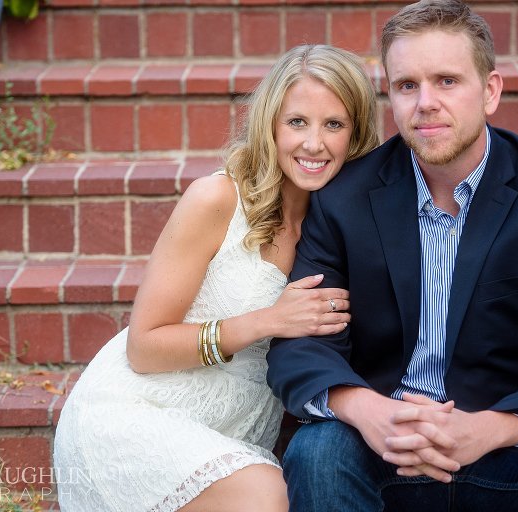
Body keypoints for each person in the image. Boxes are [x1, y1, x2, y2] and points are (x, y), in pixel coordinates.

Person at [266, 1, 518, 511]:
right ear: (391, 98)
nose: (425, 103)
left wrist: (490, 429)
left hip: (504, 444)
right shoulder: (344, 199)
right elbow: (300, 346)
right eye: (407, 85)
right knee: (317, 451)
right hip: (384, 445)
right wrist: (368, 411)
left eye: (447, 81)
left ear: (490, 91)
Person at [52, 44, 379, 511]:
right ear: (270, 125)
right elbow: (143, 347)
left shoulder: (343, 226)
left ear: (357, 134)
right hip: (137, 412)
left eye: (334, 124)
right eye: (297, 122)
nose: (313, 144)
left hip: (232, 428)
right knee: (269, 498)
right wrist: (266, 321)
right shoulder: (217, 200)